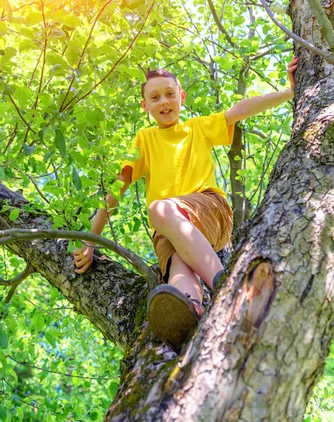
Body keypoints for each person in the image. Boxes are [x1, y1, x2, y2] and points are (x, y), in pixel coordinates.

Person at [74, 56, 298, 351]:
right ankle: (191, 313)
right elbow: (117, 188)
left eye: (169, 94)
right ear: (145, 106)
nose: (163, 102)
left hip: (208, 208)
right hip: (170, 231)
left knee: (160, 208)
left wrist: (288, 92)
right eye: (154, 97)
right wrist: (91, 242)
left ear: (181, 97)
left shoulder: (196, 128)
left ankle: (226, 285)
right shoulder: (145, 139)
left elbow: (237, 111)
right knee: (177, 272)